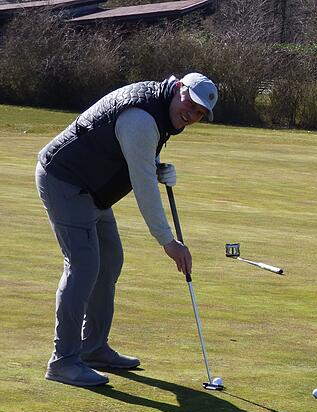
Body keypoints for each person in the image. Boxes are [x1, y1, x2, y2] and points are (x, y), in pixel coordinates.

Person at [35, 72, 218, 387]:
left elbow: (140, 157)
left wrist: (158, 166)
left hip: (92, 190)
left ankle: (92, 348)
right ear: (179, 88)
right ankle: (63, 361)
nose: (193, 115)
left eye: (201, 113)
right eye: (192, 104)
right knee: (84, 265)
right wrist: (169, 242)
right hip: (65, 181)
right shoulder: (142, 119)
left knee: (110, 260)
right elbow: (143, 186)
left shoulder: (160, 108)